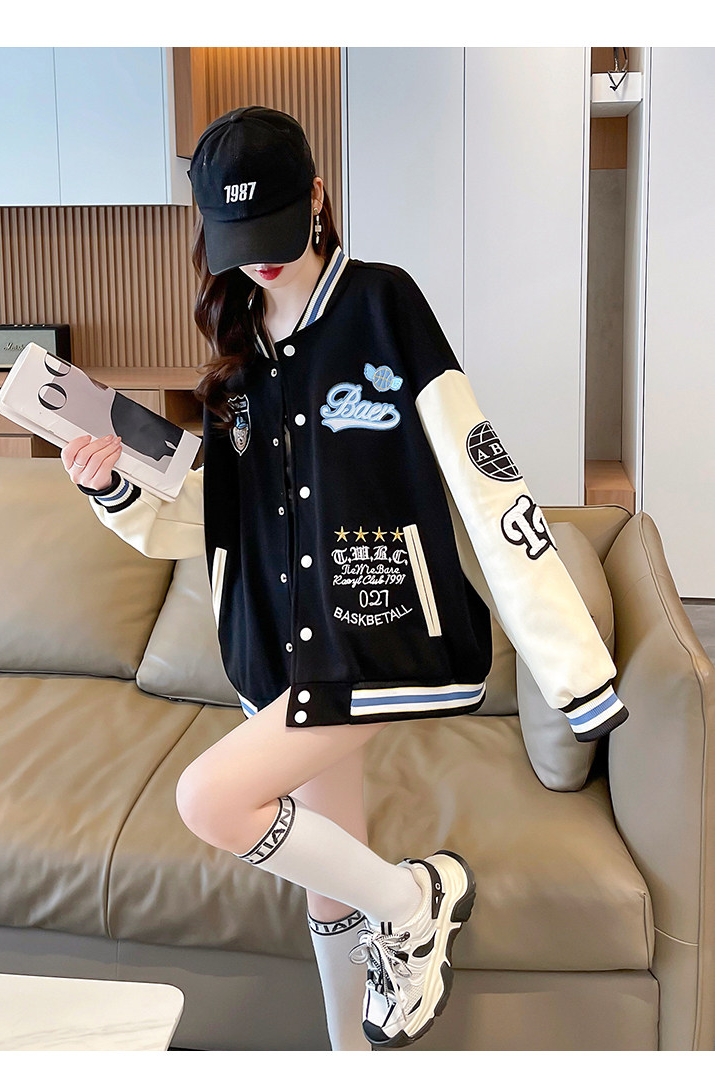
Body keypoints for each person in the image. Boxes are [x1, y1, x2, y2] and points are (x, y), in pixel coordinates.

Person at [62, 105, 628, 1051]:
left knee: (210, 799)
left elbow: (483, 476)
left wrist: (574, 672)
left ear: (318, 197)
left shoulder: (383, 303)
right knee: (325, 882)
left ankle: (414, 900)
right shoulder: (239, 356)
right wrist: (114, 484)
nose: (259, 258)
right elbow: (215, 524)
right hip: (287, 652)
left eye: (276, 229)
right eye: (238, 238)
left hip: (379, 637)